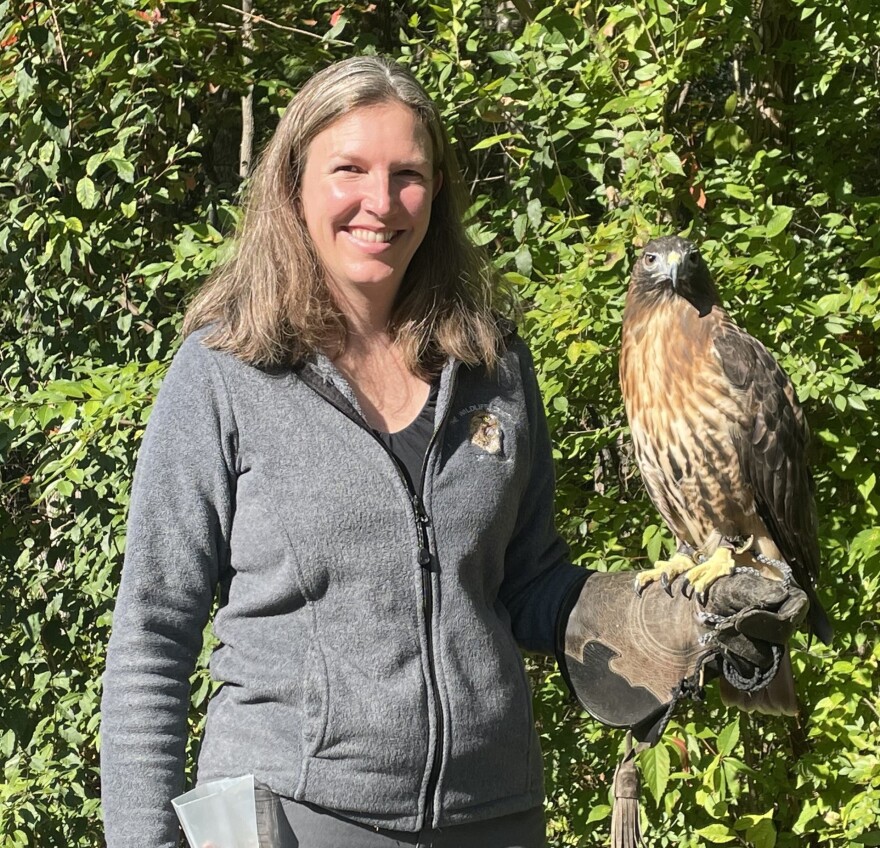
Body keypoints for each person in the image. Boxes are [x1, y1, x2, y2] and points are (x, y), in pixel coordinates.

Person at [100, 56, 806, 848]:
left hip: (494, 815)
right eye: (349, 170)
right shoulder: (225, 370)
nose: (381, 201)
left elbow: (530, 581)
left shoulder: (492, 363)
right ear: (294, 182)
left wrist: (662, 623)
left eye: (408, 174)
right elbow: (153, 634)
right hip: (295, 816)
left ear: (436, 193)